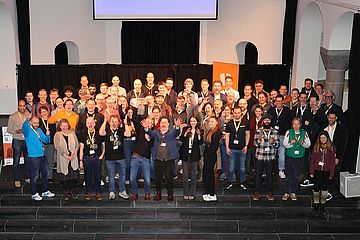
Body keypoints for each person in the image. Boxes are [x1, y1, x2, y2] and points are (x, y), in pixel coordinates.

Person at [142, 117, 182, 202]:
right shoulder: (156, 133)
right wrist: (146, 128)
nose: (163, 124)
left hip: (169, 159)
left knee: (169, 178)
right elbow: (150, 133)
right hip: (158, 159)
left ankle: (170, 194)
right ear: (159, 124)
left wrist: (178, 126)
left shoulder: (171, 133)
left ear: (168, 124)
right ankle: (158, 193)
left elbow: (176, 132)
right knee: (158, 178)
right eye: (162, 123)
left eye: (165, 122)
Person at [22, 116, 55, 201]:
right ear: (31, 123)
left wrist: (48, 135)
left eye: (37, 123)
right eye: (34, 123)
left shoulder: (39, 130)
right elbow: (24, 127)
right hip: (33, 158)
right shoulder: (27, 131)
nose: (36, 124)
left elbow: (46, 141)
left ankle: (45, 191)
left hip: (42, 156)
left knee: (45, 173)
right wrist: (27, 119)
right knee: (34, 176)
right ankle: (33, 193)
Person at [99, 115, 129, 200]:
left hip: (121, 157)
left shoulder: (121, 130)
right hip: (110, 158)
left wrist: (126, 123)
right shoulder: (107, 131)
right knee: (111, 175)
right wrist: (105, 121)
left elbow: (128, 134)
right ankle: (112, 192)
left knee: (122, 175)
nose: (114, 123)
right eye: (112, 121)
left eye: (116, 121)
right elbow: (101, 133)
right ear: (110, 122)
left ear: (119, 123)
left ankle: (122, 191)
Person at [282, 117, 311, 201]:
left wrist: (303, 143)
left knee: (296, 175)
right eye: (294, 124)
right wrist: (290, 143)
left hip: (299, 157)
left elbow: (308, 145)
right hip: (290, 157)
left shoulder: (304, 133)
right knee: (288, 175)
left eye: (297, 124)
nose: (296, 126)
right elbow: (285, 144)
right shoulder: (289, 132)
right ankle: (287, 192)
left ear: (300, 124)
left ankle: (293, 192)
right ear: (292, 124)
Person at [253, 113, 279, 201]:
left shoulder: (275, 131)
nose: (267, 121)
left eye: (268, 120)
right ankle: (257, 192)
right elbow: (255, 144)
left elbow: (278, 144)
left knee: (270, 176)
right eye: (265, 120)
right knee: (258, 175)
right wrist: (259, 140)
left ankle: (270, 192)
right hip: (260, 157)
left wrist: (274, 142)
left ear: (270, 121)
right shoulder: (258, 131)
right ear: (262, 121)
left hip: (270, 157)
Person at [309, 131, 336, 216]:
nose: (322, 139)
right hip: (317, 170)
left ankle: (322, 205)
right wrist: (311, 171)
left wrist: (331, 173)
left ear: (327, 138)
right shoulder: (316, 147)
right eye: (321, 138)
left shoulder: (331, 147)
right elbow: (313, 160)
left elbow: (332, 162)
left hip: (326, 171)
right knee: (316, 187)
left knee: (324, 188)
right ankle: (316, 204)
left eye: (324, 137)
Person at [224, 105, 250, 190]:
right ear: (233, 113)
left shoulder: (245, 122)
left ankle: (243, 182)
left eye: (239, 112)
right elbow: (227, 136)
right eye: (235, 112)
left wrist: (246, 145)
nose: (237, 114)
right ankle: (230, 181)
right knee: (231, 167)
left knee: (242, 167)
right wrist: (227, 147)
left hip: (242, 149)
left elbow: (248, 134)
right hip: (232, 149)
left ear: (241, 113)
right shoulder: (229, 123)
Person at [79, 117, 105, 201]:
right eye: (88, 123)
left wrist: (102, 155)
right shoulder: (83, 134)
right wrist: (80, 160)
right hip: (87, 158)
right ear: (86, 124)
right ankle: (88, 192)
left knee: (98, 175)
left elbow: (104, 145)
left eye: (91, 123)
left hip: (97, 158)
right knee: (87, 176)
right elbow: (81, 148)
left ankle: (98, 192)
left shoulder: (99, 133)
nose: (90, 124)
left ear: (94, 123)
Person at [54, 118, 79, 200]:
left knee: (72, 176)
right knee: (65, 176)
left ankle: (72, 191)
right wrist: (67, 157)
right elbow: (58, 147)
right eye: (63, 126)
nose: (65, 128)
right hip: (63, 158)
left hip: (73, 158)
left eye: (66, 126)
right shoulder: (57, 134)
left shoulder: (72, 133)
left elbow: (77, 145)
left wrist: (74, 155)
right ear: (60, 126)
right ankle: (65, 192)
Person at [7, 100, 31, 188]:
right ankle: (17, 179)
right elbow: (9, 130)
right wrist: (17, 131)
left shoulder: (29, 115)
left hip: (27, 141)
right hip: (17, 141)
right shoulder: (13, 116)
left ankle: (27, 177)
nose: (22, 107)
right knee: (16, 161)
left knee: (27, 160)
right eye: (20, 106)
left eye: (24, 106)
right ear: (18, 106)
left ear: (26, 106)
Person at [179, 116, 203, 200]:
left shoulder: (200, 130)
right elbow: (181, 139)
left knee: (193, 175)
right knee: (185, 175)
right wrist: (185, 134)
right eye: (191, 121)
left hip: (194, 154)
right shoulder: (186, 128)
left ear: (197, 122)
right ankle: (186, 192)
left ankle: (192, 192)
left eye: (194, 121)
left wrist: (199, 135)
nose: (193, 122)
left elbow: (200, 142)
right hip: (185, 153)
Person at [268, 94, 291, 179]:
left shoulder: (287, 110)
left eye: (280, 101)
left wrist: (287, 134)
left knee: (281, 153)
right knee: (271, 153)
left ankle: (281, 170)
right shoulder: (271, 110)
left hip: (282, 135)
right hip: (272, 135)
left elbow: (289, 123)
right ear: (275, 102)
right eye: (277, 101)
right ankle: (270, 170)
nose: (278, 103)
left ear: (283, 101)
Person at [202, 116, 221, 201]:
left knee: (209, 175)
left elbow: (214, 147)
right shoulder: (211, 131)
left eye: (212, 122)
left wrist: (207, 154)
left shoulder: (216, 133)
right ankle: (208, 192)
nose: (210, 123)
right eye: (209, 122)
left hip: (211, 156)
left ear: (217, 122)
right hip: (208, 155)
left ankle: (212, 194)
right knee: (207, 174)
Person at [38, 106, 56, 183]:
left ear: (48, 112)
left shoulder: (51, 121)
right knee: (42, 161)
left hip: (50, 144)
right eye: (42, 111)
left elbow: (55, 133)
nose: (44, 113)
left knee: (50, 161)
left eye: (45, 111)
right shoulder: (38, 122)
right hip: (41, 144)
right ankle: (43, 176)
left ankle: (50, 177)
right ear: (40, 113)